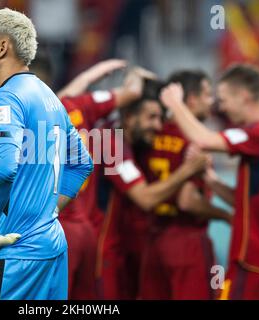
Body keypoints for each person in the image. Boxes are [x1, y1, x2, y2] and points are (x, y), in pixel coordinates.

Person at [0, 7, 93, 300]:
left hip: (13, 257)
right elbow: (83, 163)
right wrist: (47, 213)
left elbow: (4, 167)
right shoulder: (50, 97)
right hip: (52, 250)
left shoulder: (6, 96)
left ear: (1, 48)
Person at [161, 63, 259, 300]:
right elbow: (248, 201)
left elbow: (205, 138)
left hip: (253, 260)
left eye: (223, 99)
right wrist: (210, 179)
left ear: (244, 96)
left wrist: (175, 103)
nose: (221, 108)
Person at [31, 54, 148, 299]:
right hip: (85, 229)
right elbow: (133, 92)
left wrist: (86, 77)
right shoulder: (80, 106)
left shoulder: (22, 121)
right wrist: (135, 74)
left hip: (51, 229)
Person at [96, 79, 209, 299]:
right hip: (101, 253)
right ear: (129, 117)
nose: (158, 126)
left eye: (160, 117)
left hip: (123, 252)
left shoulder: (131, 145)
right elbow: (145, 198)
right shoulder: (110, 144)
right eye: (151, 117)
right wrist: (188, 170)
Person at [137, 70, 232, 300]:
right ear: (191, 100)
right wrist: (226, 216)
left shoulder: (151, 134)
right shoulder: (195, 140)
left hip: (150, 242)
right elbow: (187, 201)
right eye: (207, 95)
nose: (212, 102)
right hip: (187, 242)